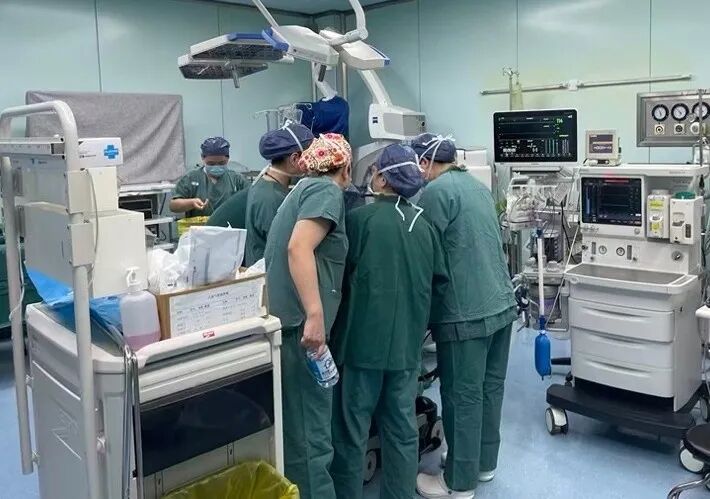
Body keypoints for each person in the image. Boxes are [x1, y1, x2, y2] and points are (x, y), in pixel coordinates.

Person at [329, 144, 448, 499]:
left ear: (381, 178)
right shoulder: (425, 226)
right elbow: (438, 284)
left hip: (361, 346)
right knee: (401, 428)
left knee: (351, 432)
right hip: (405, 348)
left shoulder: (359, 221)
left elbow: (337, 283)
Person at [413, 134, 517, 499]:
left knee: (463, 396)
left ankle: (459, 481)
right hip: (500, 304)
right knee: (490, 390)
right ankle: (483, 464)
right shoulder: (476, 187)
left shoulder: (435, 193)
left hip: (465, 314)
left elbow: (423, 253)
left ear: (424, 162)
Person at [263, 133, 352, 499]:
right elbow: (298, 248)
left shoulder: (298, 191)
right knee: (310, 438)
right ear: (346, 168)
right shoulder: (325, 191)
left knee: (299, 432)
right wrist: (315, 315)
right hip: (303, 331)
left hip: (289, 327)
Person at [244, 122, 314, 266]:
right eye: (310, 156)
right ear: (295, 159)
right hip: (269, 273)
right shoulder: (272, 198)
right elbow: (286, 248)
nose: (314, 162)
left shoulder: (263, 183)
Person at [170, 137, 247, 217]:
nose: (216, 166)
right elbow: (173, 206)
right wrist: (191, 203)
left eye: (221, 163)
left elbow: (251, 200)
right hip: (200, 225)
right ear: (202, 158)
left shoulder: (237, 179)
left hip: (229, 224)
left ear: (228, 158)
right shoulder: (191, 178)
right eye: (211, 163)